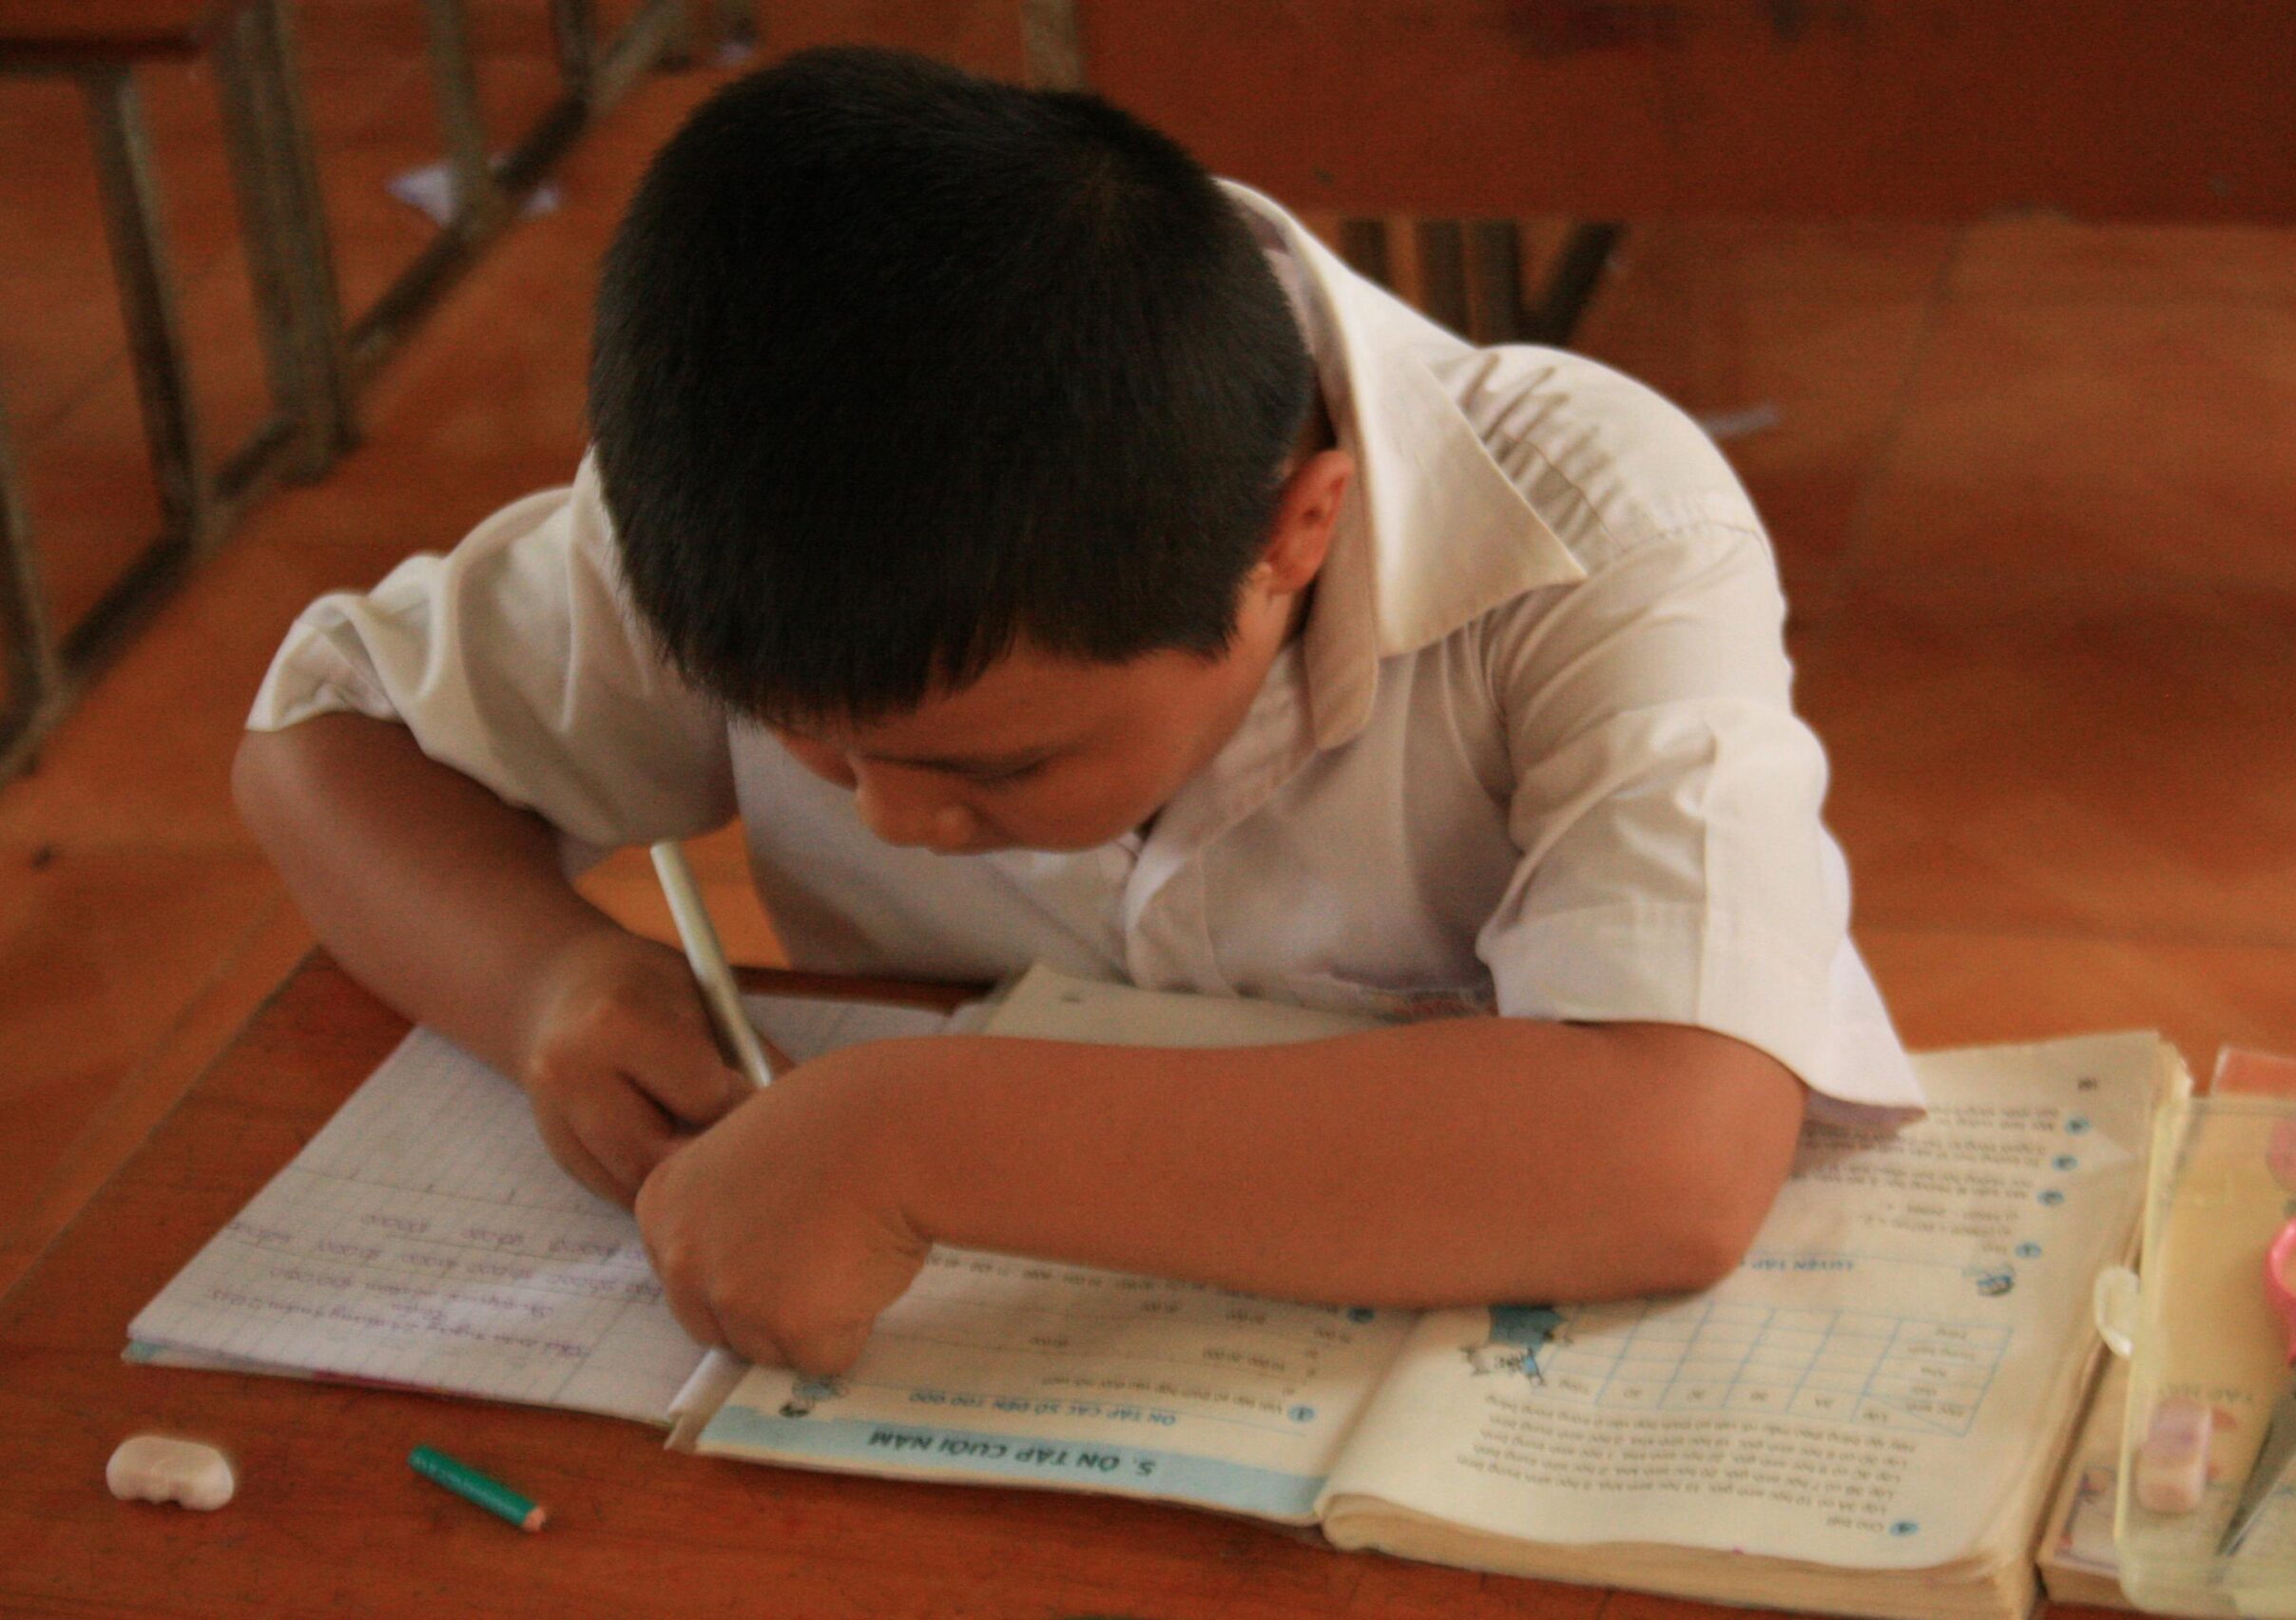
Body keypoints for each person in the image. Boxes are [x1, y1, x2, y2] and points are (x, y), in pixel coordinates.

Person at [232, 48, 1921, 1377]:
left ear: (1295, 534)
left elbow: (1673, 1155)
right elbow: (319, 742)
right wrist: (552, 985)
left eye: (1002, 767)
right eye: (817, 753)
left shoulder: (1595, 525)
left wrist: (917, 1140)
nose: (889, 819)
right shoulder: (785, 506)